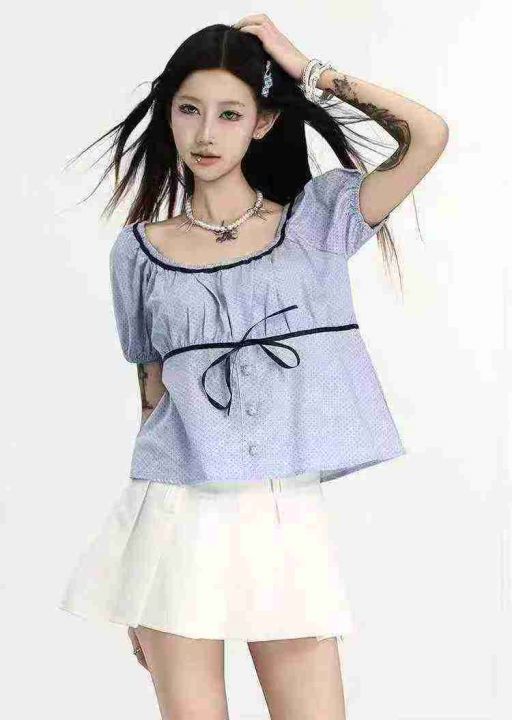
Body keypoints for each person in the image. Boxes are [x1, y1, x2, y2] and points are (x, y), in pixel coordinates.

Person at [58, 14, 449, 720]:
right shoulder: (138, 252)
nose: (206, 134)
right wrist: (136, 577)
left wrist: (308, 69)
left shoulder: (317, 223)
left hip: (281, 515)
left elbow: (427, 135)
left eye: (230, 113)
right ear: (168, 116)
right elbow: (152, 402)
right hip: (172, 517)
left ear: (263, 122)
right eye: (189, 110)